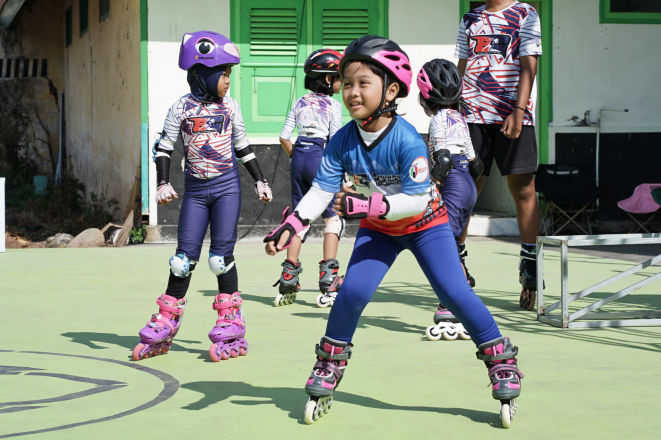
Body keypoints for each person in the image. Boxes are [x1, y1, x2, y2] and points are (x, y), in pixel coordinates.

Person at [264, 35, 524, 429]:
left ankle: (500, 358)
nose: (351, 92)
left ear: (391, 90)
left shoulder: (406, 140)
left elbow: (417, 201)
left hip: (426, 226)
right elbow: (321, 189)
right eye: (346, 83)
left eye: (362, 83)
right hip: (380, 230)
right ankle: (330, 363)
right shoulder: (341, 140)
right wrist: (293, 223)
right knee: (350, 293)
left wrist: (366, 206)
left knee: (454, 293)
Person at [131, 31, 273, 363]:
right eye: (223, 74)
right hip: (195, 191)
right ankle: (167, 320)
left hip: (226, 188)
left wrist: (260, 180)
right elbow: (164, 147)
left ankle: (231, 321)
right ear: (202, 72)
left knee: (219, 259)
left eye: (229, 74)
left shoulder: (231, 107)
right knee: (182, 260)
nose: (227, 81)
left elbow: (242, 147)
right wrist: (163, 183)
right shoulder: (180, 108)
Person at [455, 0, 543, 310]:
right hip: (471, 117)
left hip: (513, 116)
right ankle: (458, 263)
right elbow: (462, 67)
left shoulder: (525, 13)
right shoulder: (470, 17)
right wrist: (451, 110)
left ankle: (530, 263)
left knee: (523, 189)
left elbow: (529, 64)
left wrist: (519, 111)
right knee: (464, 189)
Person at [416, 58, 484, 341]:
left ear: (425, 95)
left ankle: (450, 303)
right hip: (469, 181)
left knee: (443, 241)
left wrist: (435, 185)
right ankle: (463, 280)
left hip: (453, 180)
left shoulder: (437, 120)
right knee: (454, 240)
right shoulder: (459, 117)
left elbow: (442, 157)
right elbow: (474, 160)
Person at [274, 49, 345, 308]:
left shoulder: (299, 102)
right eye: (339, 77)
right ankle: (329, 280)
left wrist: (296, 157)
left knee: (298, 217)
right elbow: (335, 143)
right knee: (332, 219)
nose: (342, 82)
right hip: (320, 159)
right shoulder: (334, 105)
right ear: (327, 80)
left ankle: (288, 277)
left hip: (299, 157)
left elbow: (283, 137)